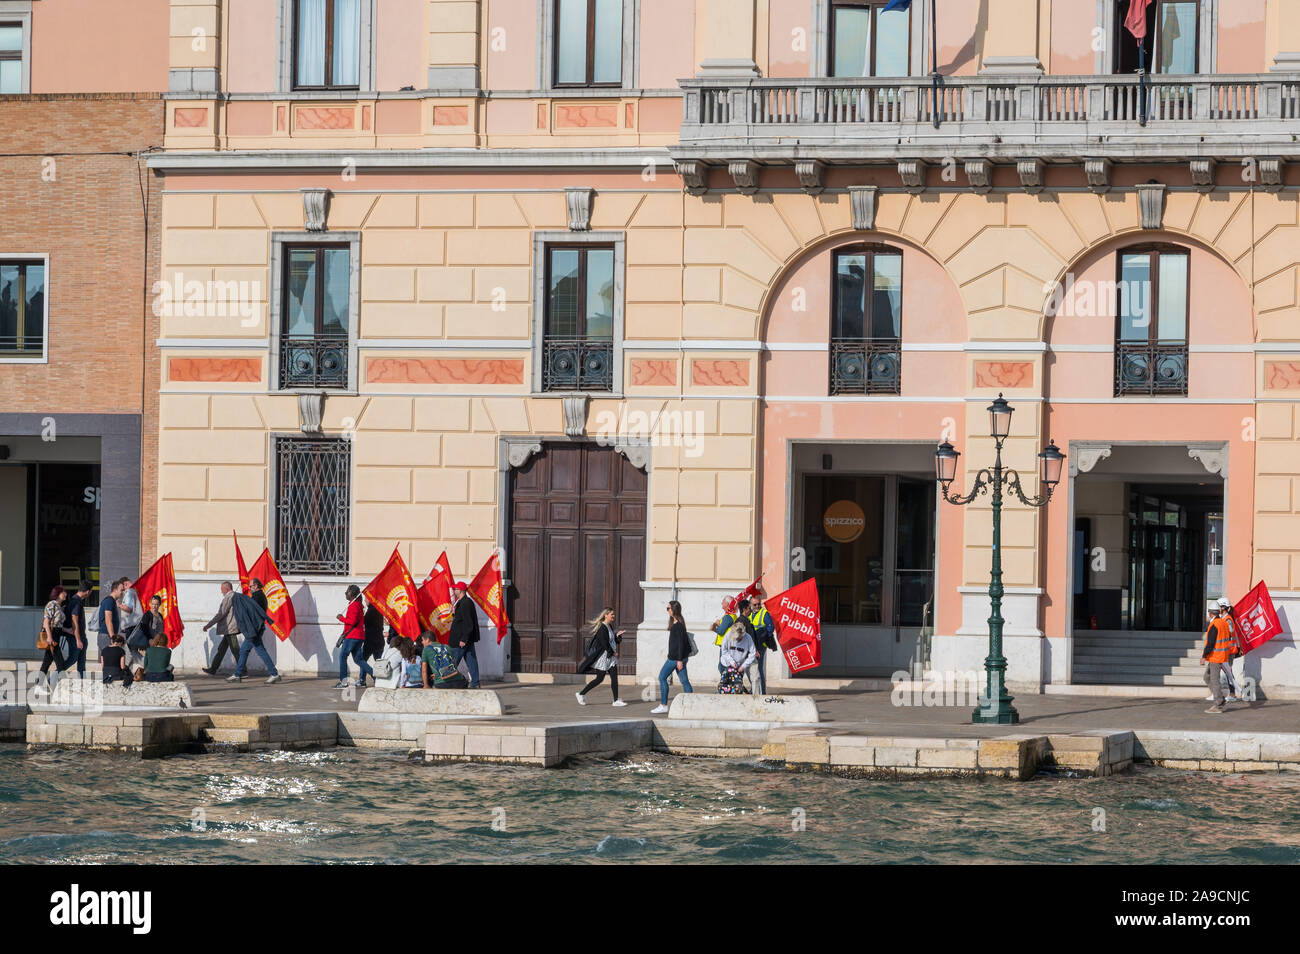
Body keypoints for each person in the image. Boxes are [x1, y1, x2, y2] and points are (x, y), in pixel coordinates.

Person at [576, 607, 626, 707]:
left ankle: (616, 700)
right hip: (604, 657)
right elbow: (604, 644)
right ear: (605, 615)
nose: (613, 616)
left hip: (610, 657)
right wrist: (613, 653)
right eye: (612, 614)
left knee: (614, 678)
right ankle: (581, 694)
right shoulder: (602, 628)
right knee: (599, 679)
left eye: (613, 614)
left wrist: (617, 636)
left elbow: (611, 641)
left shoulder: (609, 626)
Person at [229, 589, 281, 684]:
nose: (249, 587)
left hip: (254, 629)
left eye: (251, 585)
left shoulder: (258, 597)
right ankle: (238, 674)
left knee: (260, 651)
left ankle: (274, 674)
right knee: (244, 650)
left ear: (255, 586)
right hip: (255, 628)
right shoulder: (258, 596)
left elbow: (254, 612)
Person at [651, 600, 693, 714]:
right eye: (667, 608)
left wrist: (679, 660)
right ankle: (692, 704)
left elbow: (680, 644)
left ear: (674, 609)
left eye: (668, 608)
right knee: (684, 681)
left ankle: (664, 705)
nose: (668, 610)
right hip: (679, 658)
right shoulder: (678, 623)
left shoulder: (677, 625)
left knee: (662, 677)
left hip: (675, 659)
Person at [1202, 597, 1238, 714]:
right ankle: (1220, 699)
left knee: (1214, 679)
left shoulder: (1215, 625)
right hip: (1221, 655)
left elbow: (1211, 643)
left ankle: (1218, 703)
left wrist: (1204, 656)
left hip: (1215, 656)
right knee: (1207, 677)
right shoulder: (1223, 622)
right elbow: (1227, 638)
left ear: (1210, 613)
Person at [334, 584, 372, 688]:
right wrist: (343, 633)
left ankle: (343, 681)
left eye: (348, 591)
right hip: (357, 636)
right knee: (358, 660)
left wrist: (341, 618)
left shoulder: (354, 605)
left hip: (352, 637)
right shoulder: (356, 605)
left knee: (342, 656)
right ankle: (375, 675)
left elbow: (353, 621)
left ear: (352, 594)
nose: (346, 593)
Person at [201, 581, 242, 676]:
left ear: (227, 589)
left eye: (222, 589)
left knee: (235, 650)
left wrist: (209, 625)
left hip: (230, 628)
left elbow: (221, 613)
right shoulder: (235, 596)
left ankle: (243, 670)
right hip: (229, 628)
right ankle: (213, 669)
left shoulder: (228, 597)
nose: (221, 592)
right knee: (222, 649)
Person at [37, 585, 72, 690]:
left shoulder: (58, 606)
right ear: (57, 593)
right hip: (51, 636)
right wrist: (49, 637)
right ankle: (61, 687)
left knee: (47, 662)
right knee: (60, 662)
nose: (65, 594)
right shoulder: (51, 604)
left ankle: (39, 685)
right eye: (63, 592)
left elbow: (58, 625)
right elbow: (46, 622)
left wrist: (68, 630)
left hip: (56, 634)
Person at [448, 582, 482, 690]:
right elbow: (461, 619)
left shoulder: (465, 603)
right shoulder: (462, 602)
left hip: (461, 640)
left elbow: (468, 623)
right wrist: (454, 613)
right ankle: (475, 682)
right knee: (471, 661)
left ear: (461, 590)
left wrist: (463, 639)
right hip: (465, 639)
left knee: (452, 662)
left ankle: (445, 681)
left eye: (456, 589)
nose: (454, 591)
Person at [747, 589, 775, 695]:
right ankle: (755, 687)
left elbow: (770, 627)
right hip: (750, 645)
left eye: (759, 604)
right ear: (750, 604)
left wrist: (764, 637)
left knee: (758, 669)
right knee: (748, 668)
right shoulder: (748, 613)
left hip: (760, 646)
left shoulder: (764, 613)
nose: (757, 606)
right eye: (755, 605)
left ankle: (762, 692)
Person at [717, 620, 757, 694]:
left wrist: (744, 666)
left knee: (737, 686)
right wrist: (731, 662)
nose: (738, 639)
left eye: (740, 638)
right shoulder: (728, 635)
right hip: (726, 664)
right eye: (736, 638)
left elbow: (752, 653)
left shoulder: (748, 638)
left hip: (739, 666)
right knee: (725, 685)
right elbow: (724, 651)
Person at [64, 580, 92, 677]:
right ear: (88, 592)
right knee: (72, 659)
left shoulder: (75, 600)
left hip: (79, 636)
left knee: (81, 663)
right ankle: (52, 678)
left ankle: (82, 685)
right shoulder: (76, 602)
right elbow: (74, 620)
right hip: (75, 637)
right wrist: (78, 639)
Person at [96, 578, 125, 658]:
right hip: (106, 636)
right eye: (121, 590)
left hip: (107, 635)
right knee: (109, 660)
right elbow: (108, 620)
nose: (123, 592)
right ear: (115, 590)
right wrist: (113, 637)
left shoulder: (112, 601)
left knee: (109, 661)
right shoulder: (109, 601)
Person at [362, 597, 387, 664]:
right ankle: (377, 674)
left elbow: (365, 621)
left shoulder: (371, 610)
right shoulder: (379, 609)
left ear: (370, 600)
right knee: (378, 662)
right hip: (379, 639)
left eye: (366, 599)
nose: (364, 600)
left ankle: (366, 674)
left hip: (371, 640)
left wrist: (361, 614)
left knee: (363, 660)